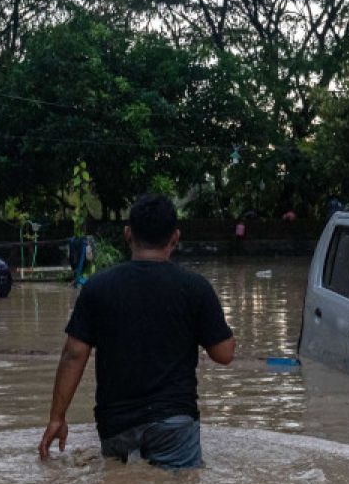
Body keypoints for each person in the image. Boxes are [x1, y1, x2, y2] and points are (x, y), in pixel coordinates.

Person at [39, 194, 236, 468]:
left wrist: (57, 417)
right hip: (174, 424)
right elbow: (224, 354)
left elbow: (73, 355)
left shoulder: (97, 287)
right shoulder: (195, 288)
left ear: (128, 234)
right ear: (175, 238)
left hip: (116, 425)